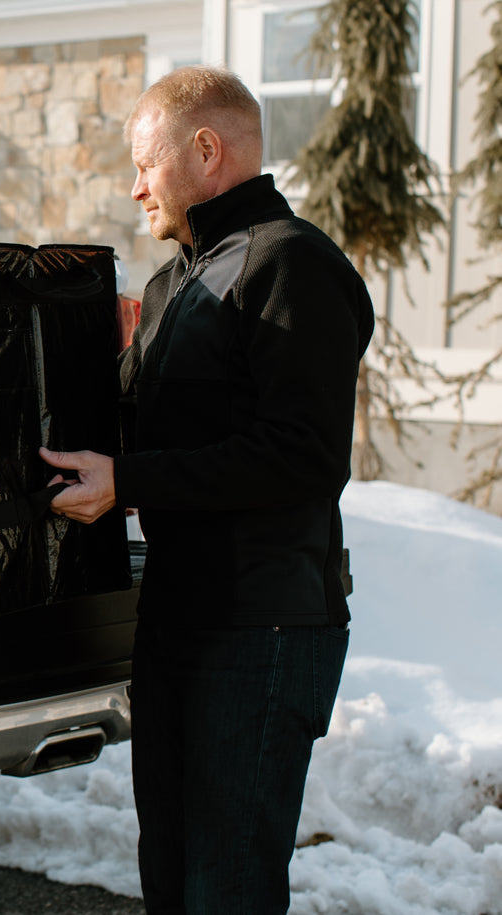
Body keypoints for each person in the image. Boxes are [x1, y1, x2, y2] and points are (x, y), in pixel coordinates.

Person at [40, 65, 375, 913]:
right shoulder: (171, 283)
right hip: (178, 624)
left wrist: (131, 481)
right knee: (171, 878)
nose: (134, 185)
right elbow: (133, 431)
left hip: (259, 632)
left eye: (145, 163)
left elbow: (300, 455)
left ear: (204, 149)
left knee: (223, 888)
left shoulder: (289, 263)